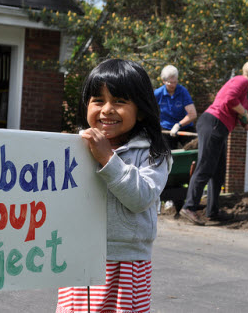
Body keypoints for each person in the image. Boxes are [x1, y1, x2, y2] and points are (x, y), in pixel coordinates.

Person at [56, 59, 171, 313]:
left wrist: (108, 158)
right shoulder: (76, 148)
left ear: (140, 109)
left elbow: (141, 197)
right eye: (98, 100)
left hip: (126, 260)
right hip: (80, 253)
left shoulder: (153, 154)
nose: (107, 109)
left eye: (119, 101)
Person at [180, 59, 248, 226]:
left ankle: (212, 211)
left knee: (218, 173)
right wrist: (243, 112)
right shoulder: (240, 80)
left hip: (219, 128)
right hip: (213, 123)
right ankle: (189, 207)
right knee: (205, 167)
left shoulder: (244, 94)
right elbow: (229, 99)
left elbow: (246, 124)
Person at [154, 65, 197, 149]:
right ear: (163, 81)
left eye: (175, 82)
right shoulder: (158, 93)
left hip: (185, 128)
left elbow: (192, 114)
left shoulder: (183, 92)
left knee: (193, 150)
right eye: (170, 82)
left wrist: (178, 125)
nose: (173, 85)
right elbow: (149, 110)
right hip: (166, 129)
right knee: (166, 155)